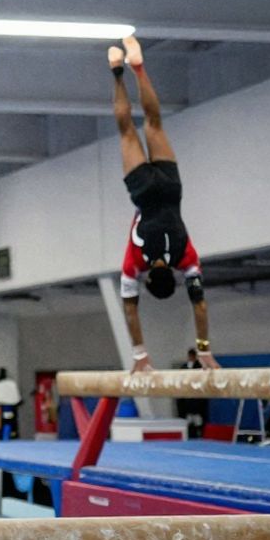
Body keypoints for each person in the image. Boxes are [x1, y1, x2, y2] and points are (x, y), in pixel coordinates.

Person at [109, 36, 218, 374]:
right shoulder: (134, 263)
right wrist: (139, 353)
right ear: (146, 280)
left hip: (171, 190)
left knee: (154, 123)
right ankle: (117, 72)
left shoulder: (186, 257)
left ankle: (138, 68)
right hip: (142, 192)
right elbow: (129, 311)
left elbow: (200, 306)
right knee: (127, 131)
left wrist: (204, 350)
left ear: (173, 275)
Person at [176, 348, 207, 438]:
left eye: (192, 356)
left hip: (197, 401)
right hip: (187, 402)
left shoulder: (200, 366)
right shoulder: (184, 367)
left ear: (194, 356)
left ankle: (200, 437)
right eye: (189, 356)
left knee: (199, 425)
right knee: (189, 427)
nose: (190, 358)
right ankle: (190, 437)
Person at [0, 367, 21, 439]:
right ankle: (14, 432)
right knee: (13, 420)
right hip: (12, 406)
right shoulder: (13, 383)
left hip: (0, 406)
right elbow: (18, 397)